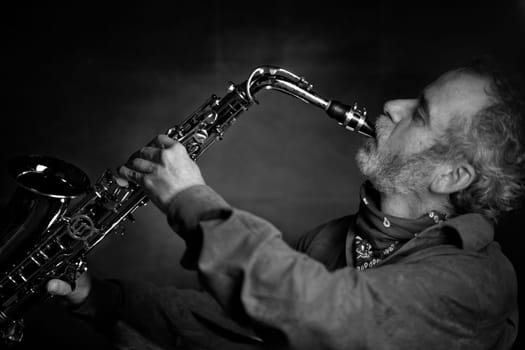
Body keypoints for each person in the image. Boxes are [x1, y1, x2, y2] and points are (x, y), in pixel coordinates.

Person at [47, 59, 524, 350]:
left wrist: (190, 200)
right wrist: (97, 297)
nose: (393, 106)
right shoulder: (328, 240)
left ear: (451, 175)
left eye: (419, 113)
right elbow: (230, 330)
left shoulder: (476, 281)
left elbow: (323, 314)